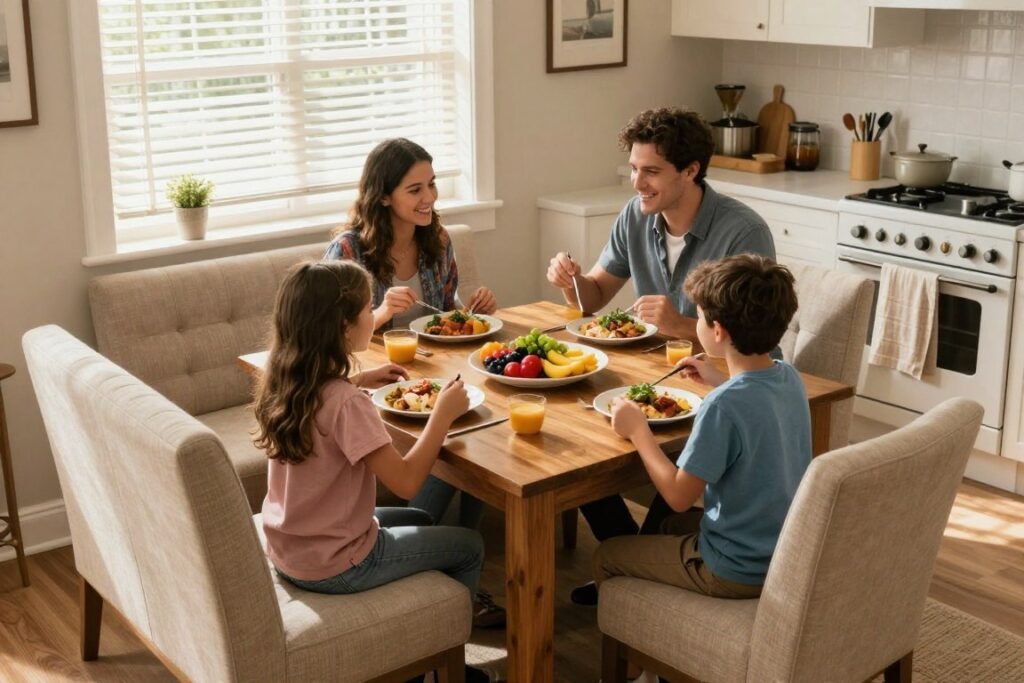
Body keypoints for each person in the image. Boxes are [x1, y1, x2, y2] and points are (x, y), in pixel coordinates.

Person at [545, 107, 776, 605]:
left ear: (690, 171)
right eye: (633, 168)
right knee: (579, 440)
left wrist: (677, 325)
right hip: (656, 376)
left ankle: (633, 569)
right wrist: (571, 283)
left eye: (650, 171)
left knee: (628, 451)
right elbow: (596, 297)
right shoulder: (637, 215)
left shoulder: (742, 232)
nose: (637, 183)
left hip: (718, 383)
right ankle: (635, 561)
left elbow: (756, 342)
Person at [253, 260, 495, 682]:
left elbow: (327, 405)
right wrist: (442, 414)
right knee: (469, 545)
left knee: (421, 520)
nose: (376, 316)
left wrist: (363, 378)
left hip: (293, 548)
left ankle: (417, 641)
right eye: (369, 309)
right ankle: (447, 666)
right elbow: (405, 482)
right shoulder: (347, 403)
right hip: (340, 563)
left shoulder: (285, 380)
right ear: (344, 328)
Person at [593, 254, 810, 606]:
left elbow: (678, 498)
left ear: (718, 330)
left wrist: (639, 433)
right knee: (661, 531)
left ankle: (648, 649)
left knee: (607, 554)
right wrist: (720, 380)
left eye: (700, 317)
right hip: (780, 552)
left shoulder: (722, 405)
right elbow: (755, 404)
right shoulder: (789, 376)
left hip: (733, 567)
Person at [325, 137, 495, 538]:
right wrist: (382, 312)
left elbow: (445, 314)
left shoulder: (437, 241)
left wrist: (469, 313)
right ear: (383, 196)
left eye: (432, 185)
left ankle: (437, 536)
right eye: (415, 189)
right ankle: (425, 538)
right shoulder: (349, 250)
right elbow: (329, 336)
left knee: (480, 428)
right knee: (460, 431)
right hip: (381, 380)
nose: (429, 198)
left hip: (435, 372)